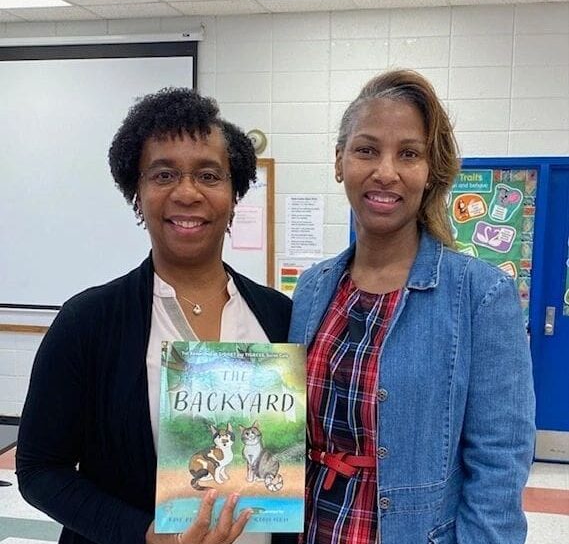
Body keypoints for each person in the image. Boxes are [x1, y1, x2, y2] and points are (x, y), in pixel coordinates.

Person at [16, 88, 291, 544]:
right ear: (136, 194)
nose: (187, 192)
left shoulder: (280, 317)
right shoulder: (88, 322)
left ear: (234, 195)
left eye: (209, 175)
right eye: (163, 175)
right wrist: (143, 534)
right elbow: (39, 470)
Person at [288, 70, 535, 544]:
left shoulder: (479, 296)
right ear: (339, 161)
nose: (386, 171)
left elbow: (500, 464)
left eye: (409, 154)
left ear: (430, 171)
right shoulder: (313, 290)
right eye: (366, 150)